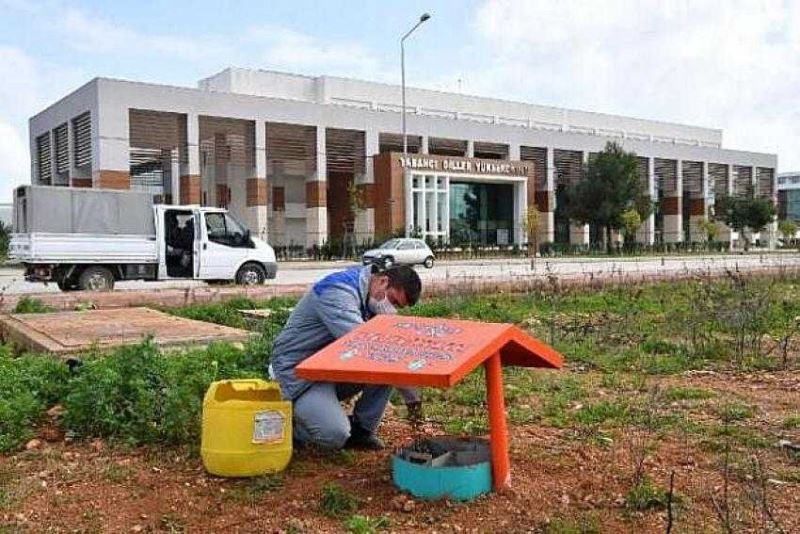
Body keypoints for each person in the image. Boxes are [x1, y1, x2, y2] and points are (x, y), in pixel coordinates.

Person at [269, 264, 422, 450]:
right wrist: (409, 391)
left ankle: (361, 430)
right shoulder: (337, 292)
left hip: (329, 368)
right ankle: (290, 426)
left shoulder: (368, 295)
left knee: (386, 366)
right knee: (334, 435)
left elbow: (387, 347)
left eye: (398, 307)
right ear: (383, 281)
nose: (392, 309)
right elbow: (366, 346)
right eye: (393, 301)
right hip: (299, 373)